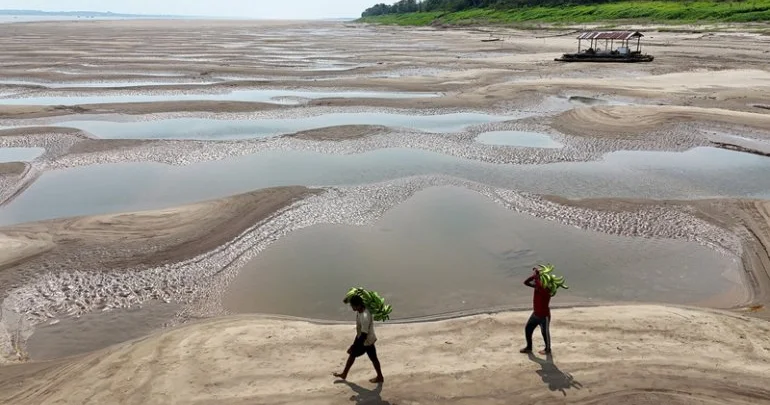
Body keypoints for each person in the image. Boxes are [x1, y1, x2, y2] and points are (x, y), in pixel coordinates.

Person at [333, 294, 384, 383]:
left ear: (358, 305)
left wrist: (354, 346)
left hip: (366, 341)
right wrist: (354, 344)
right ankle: (380, 376)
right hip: (366, 339)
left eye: (352, 305)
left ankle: (345, 374)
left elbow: (364, 334)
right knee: (372, 358)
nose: (351, 307)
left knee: (354, 354)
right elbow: (360, 333)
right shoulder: (360, 311)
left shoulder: (365, 316)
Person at [520, 266, 552, 355]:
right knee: (528, 329)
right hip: (535, 314)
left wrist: (536, 275)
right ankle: (529, 347)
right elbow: (526, 282)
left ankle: (547, 349)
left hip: (544, 316)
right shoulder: (537, 286)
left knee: (545, 333)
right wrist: (535, 276)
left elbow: (540, 286)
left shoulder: (547, 289)